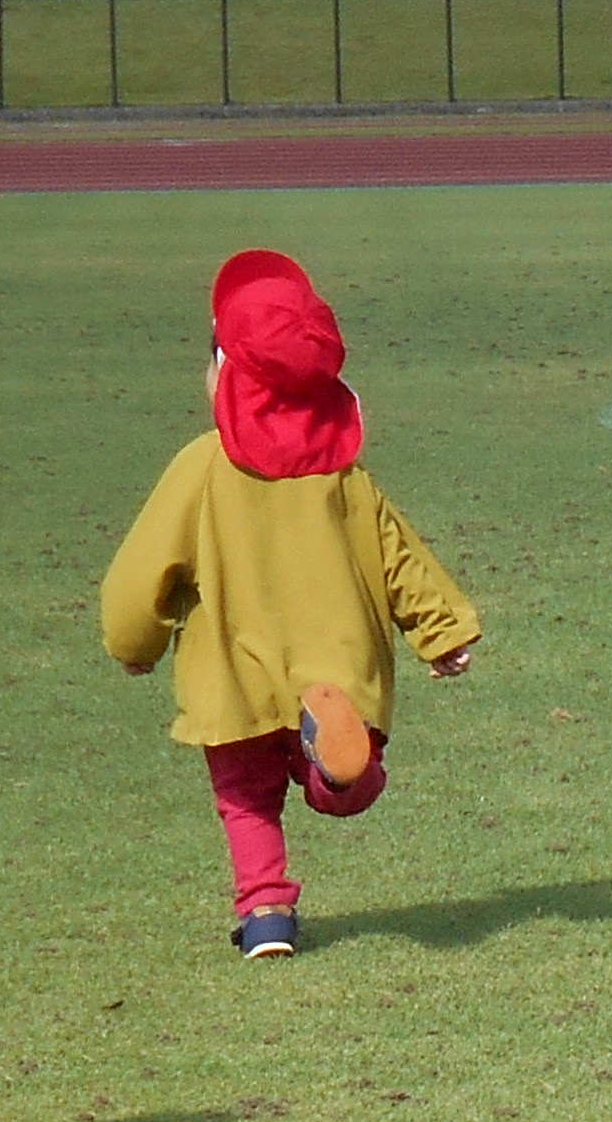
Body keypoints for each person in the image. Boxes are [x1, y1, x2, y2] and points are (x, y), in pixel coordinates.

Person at [98, 246, 479, 958]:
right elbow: (398, 556)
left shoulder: (201, 468)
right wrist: (442, 629)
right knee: (330, 771)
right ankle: (344, 775)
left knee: (245, 798)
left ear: (226, 376)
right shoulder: (342, 475)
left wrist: (134, 644)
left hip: (234, 675)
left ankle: (266, 911)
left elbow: (139, 574)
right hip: (333, 669)